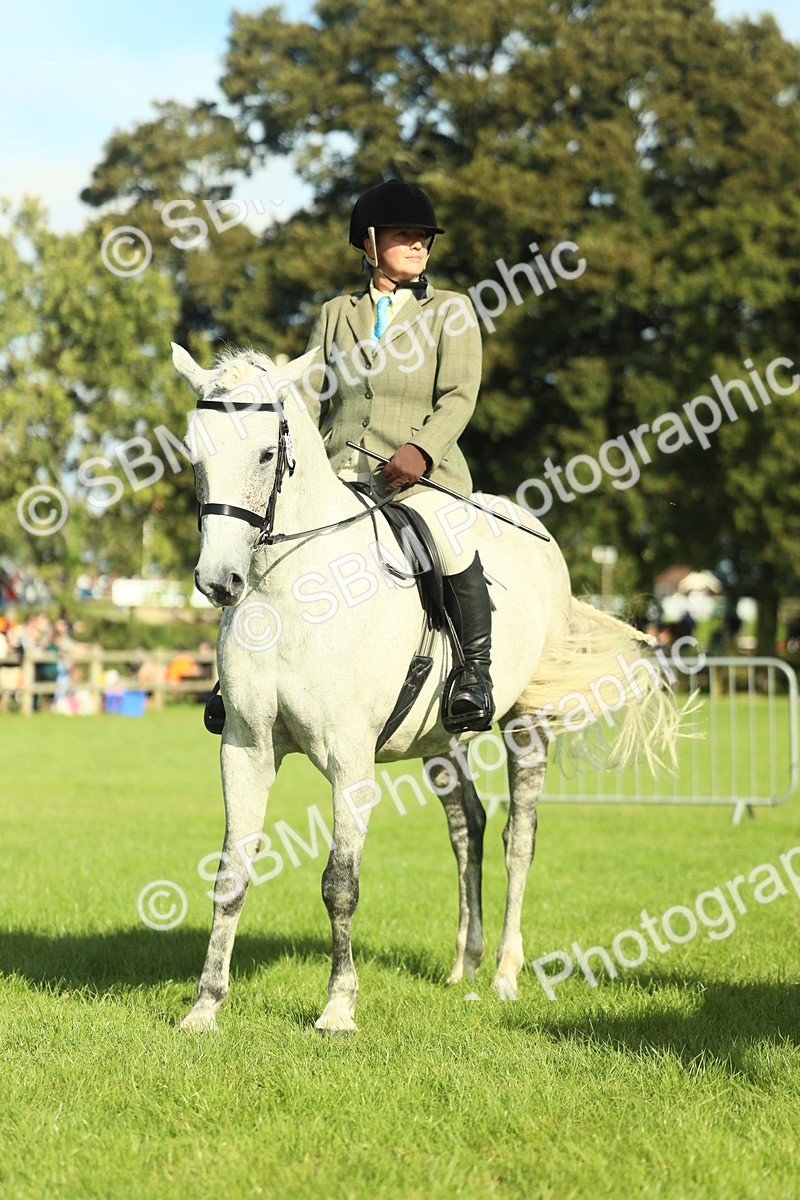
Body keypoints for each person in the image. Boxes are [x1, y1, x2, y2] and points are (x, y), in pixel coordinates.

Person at [304, 179, 494, 730]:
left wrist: (422, 450)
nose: (418, 245)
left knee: (452, 543)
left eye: (423, 237)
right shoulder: (336, 314)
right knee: (268, 541)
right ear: (369, 243)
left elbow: (460, 395)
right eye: (403, 235)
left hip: (420, 479)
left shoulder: (451, 311)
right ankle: (238, 675)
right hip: (339, 471)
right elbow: (313, 397)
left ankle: (473, 675)